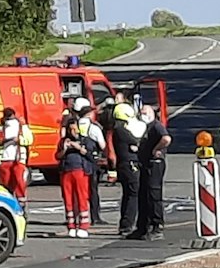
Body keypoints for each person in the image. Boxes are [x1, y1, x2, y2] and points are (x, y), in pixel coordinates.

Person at [128, 104, 172, 239]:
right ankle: (142, 227)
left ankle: (157, 226)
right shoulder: (142, 127)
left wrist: (156, 149)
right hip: (145, 163)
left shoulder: (156, 125)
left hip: (155, 164)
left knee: (153, 194)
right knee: (143, 194)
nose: (142, 114)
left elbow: (166, 139)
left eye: (144, 112)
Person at [110, 99, 147, 236]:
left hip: (124, 165)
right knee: (133, 195)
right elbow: (136, 141)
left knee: (128, 195)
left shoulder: (117, 131)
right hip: (129, 165)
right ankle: (127, 224)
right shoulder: (122, 131)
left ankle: (125, 223)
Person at [55, 115, 95, 238]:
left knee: (82, 198)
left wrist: (78, 147)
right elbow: (57, 156)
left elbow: (90, 155)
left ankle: (83, 226)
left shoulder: (85, 140)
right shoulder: (63, 141)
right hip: (66, 171)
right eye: (70, 129)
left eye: (74, 129)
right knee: (68, 199)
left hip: (81, 171)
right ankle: (71, 225)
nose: (72, 132)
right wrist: (65, 148)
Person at [71, 97, 108, 224]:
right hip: (91, 162)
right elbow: (103, 145)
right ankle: (95, 217)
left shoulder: (72, 125)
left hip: (76, 162)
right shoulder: (94, 128)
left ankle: (76, 217)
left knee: (78, 191)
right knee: (93, 190)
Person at [0, 107, 31, 205]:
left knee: (19, 183)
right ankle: (7, 203)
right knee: (5, 184)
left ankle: (21, 205)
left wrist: (19, 141)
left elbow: (29, 140)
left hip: (18, 159)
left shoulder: (22, 126)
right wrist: (2, 141)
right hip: (4, 159)